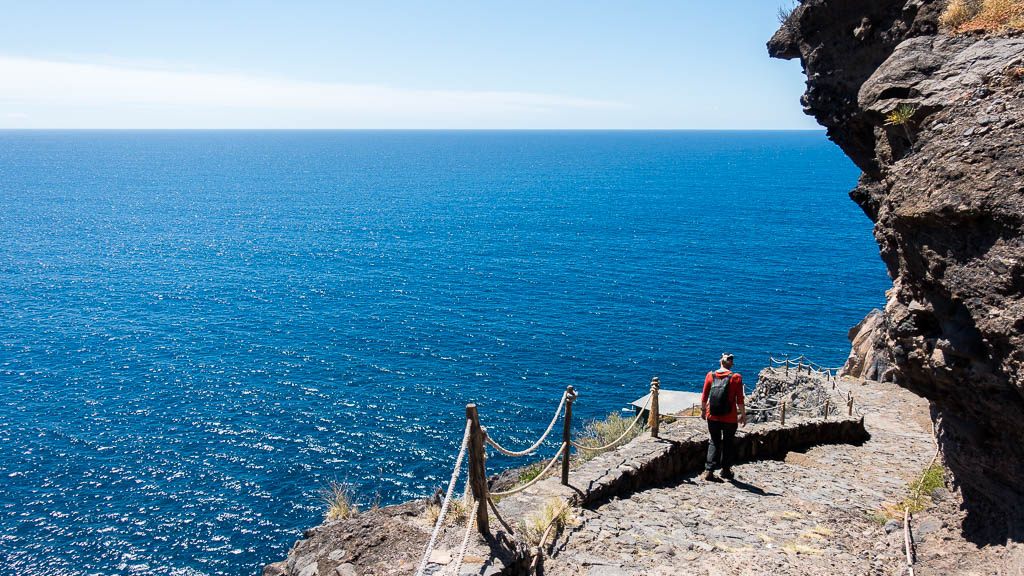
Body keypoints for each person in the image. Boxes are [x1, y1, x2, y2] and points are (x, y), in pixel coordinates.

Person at [700, 353, 746, 481]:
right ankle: (725, 470)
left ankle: (709, 470)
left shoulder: (710, 375)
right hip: (730, 417)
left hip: (712, 415)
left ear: (720, 362)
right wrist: (743, 415)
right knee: (728, 442)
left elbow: (704, 396)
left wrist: (703, 411)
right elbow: (740, 400)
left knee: (714, 441)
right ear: (730, 364)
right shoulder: (736, 377)